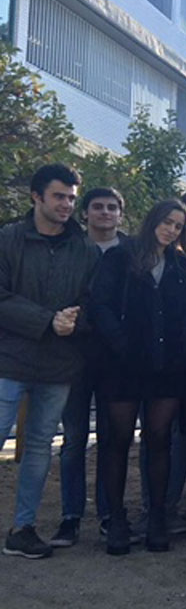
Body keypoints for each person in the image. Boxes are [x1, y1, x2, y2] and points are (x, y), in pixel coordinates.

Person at [90, 200, 186, 555]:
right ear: (153, 220)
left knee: (159, 440)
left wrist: (179, 352)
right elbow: (100, 305)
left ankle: (156, 518)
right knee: (118, 442)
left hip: (166, 369)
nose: (171, 230)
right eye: (167, 222)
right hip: (122, 366)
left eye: (178, 226)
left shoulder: (181, 264)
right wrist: (122, 344)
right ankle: (116, 520)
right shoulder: (120, 257)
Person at [0, 164, 97, 559]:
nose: (67, 204)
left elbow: (95, 303)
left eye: (72, 198)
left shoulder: (86, 250)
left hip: (59, 366)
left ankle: (23, 529)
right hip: (8, 362)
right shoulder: (7, 239)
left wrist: (77, 320)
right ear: (36, 196)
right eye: (59, 196)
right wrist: (47, 321)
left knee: (40, 448)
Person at [52, 186, 126, 548]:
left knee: (112, 440)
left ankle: (109, 514)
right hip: (74, 356)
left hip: (117, 361)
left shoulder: (132, 252)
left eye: (112, 207)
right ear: (85, 213)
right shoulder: (69, 248)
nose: (105, 212)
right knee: (74, 439)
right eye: (98, 206)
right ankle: (71, 517)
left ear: (121, 214)